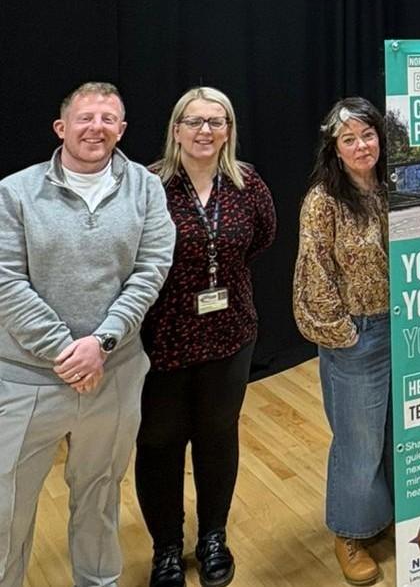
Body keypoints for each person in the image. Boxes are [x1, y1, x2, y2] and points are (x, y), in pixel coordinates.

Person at [0, 82, 175, 586]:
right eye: (85, 118)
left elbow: (151, 269)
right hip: (29, 381)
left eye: (108, 119)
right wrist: (65, 350)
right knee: (8, 507)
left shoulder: (146, 188)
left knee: (100, 496)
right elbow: (6, 281)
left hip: (114, 373)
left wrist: (103, 344)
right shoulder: (15, 192)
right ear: (61, 128)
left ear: (122, 129)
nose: (96, 127)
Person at [136, 87, 277, 586]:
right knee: (160, 443)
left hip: (229, 333)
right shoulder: (148, 185)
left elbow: (263, 237)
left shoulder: (247, 183)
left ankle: (213, 536)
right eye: (194, 121)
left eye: (216, 122)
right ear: (176, 130)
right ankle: (167, 548)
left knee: (218, 436)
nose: (205, 131)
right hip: (162, 338)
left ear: (228, 131)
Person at [293, 97, 391, 586]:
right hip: (359, 335)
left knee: (399, 431)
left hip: (409, 327)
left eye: (367, 135)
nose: (361, 146)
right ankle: (350, 533)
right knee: (360, 440)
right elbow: (314, 273)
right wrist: (343, 334)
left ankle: (388, 514)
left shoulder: (396, 187)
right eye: (348, 139)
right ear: (334, 148)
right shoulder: (323, 201)